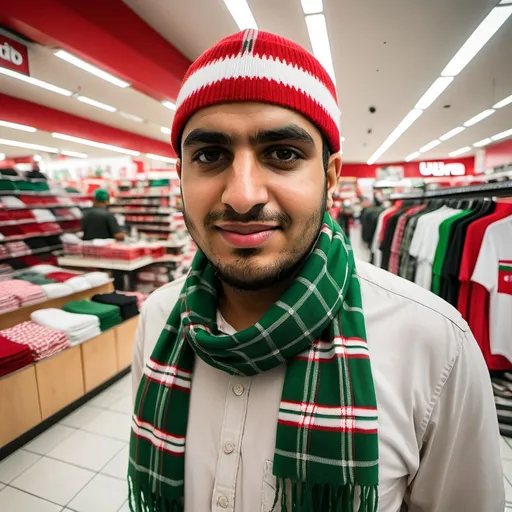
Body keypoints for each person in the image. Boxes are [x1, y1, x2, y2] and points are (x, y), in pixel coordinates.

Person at [129, 31, 504, 512]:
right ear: (180, 173)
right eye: (209, 155)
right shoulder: (160, 316)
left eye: (283, 153)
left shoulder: (434, 343)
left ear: (329, 176)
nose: (242, 196)